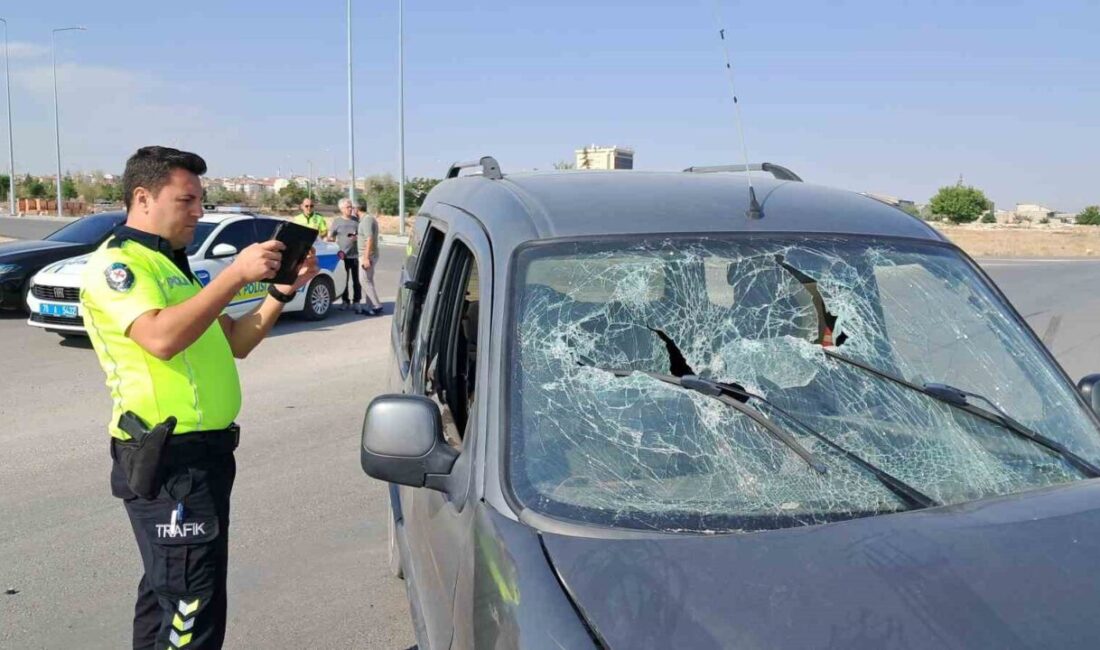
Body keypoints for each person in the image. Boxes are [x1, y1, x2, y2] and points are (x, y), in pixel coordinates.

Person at [79, 146, 319, 650]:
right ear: (142, 198)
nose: (198, 212)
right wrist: (234, 274)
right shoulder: (119, 266)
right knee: (192, 607)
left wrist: (279, 292)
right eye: (186, 200)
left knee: (167, 595)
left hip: (204, 458)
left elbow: (238, 342)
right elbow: (161, 339)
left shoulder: (176, 268)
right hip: (169, 461)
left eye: (200, 201)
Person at [328, 198, 361, 310]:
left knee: (357, 280)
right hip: (342, 256)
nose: (350, 209)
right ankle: (345, 301)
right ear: (341, 209)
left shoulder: (356, 220)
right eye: (348, 207)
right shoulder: (337, 222)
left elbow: (363, 235)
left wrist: (357, 237)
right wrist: (329, 241)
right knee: (344, 280)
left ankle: (357, 301)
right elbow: (330, 236)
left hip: (355, 255)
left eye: (351, 206)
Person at [357, 203, 384, 316]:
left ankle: (376, 305)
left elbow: (369, 239)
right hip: (368, 254)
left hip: (367, 255)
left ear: (357, 209)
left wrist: (366, 258)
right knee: (368, 281)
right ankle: (369, 307)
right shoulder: (366, 219)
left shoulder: (367, 220)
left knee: (364, 280)